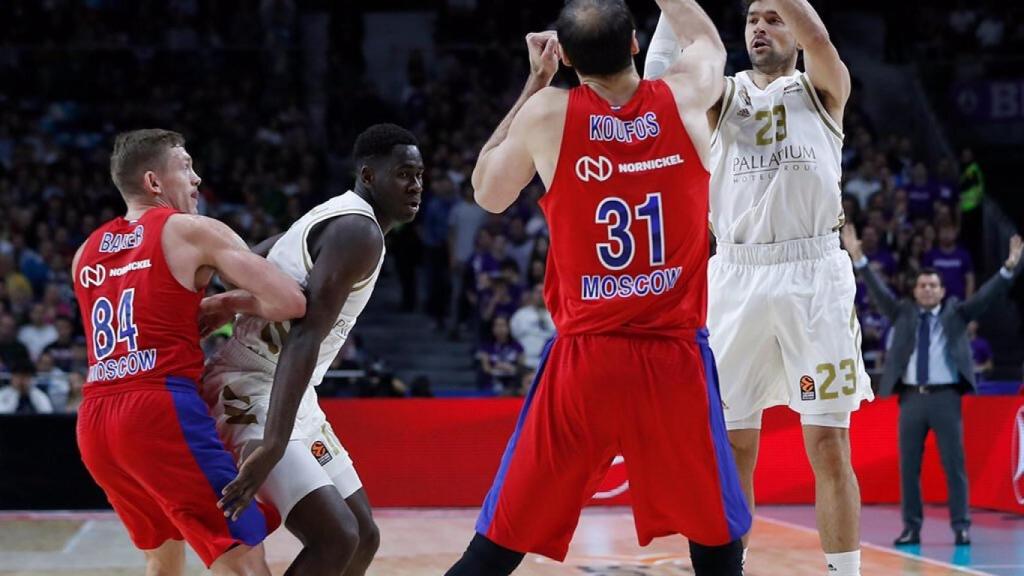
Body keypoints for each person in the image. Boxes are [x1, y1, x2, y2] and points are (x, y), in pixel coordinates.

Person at [446, 1, 751, 574]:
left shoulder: (547, 114)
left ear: (564, 56)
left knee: (499, 541)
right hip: (673, 356)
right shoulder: (684, 97)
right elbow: (707, 41)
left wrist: (535, 81)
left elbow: (486, 191)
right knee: (715, 535)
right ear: (636, 44)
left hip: (587, 361)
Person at [645, 1, 872, 574]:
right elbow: (656, 81)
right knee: (734, 446)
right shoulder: (723, 94)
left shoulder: (824, 88)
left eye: (773, 18)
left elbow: (819, 34)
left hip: (813, 273)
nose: (760, 28)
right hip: (737, 273)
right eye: (751, 19)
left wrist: (795, 14)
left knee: (827, 443)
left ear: (793, 29)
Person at [72, 129, 306, 576]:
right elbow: (289, 302)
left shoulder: (85, 251)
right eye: (185, 167)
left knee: (163, 557)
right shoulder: (189, 230)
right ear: (154, 183)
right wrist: (223, 302)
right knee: (243, 556)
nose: (197, 178)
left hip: (97, 420)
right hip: (158, 408)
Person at [202, 124, 424, 576]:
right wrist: (274, 444)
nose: (416, 185)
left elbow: (245, 264)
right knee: (336, 537)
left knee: (363, 536)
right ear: (369, 175)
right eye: (403, 173)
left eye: (419, 174)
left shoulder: (334, 215)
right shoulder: (357, 231)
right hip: (249, 387)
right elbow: (304, 336)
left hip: (290, 392)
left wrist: (235, 299)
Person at [844, 226, 1021, 547]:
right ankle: (911, 527)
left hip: (945, 398)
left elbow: (986, 296)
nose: (927, 290)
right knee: (908, 467)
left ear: (942, 291)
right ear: (915, 291)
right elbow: (879, 292)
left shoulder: (957, 312)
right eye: (922, 285)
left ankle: (961, 526)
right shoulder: (903, 313)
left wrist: (1009, 268)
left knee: (955, 466)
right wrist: (859, 259)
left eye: (933, 285)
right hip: (911, 399)